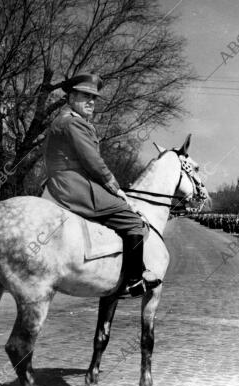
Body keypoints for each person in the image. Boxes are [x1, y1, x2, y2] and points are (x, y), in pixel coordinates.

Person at [44, 73, 160, 297]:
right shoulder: (73, 123)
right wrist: (115, 188)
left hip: (64, 181)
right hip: (73, 184)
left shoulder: (65, 120)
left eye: (94, 98)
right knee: (133, 220)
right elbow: (93, 163)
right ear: (70, 97)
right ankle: (134, 281)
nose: (91, 102)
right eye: (85, 96)